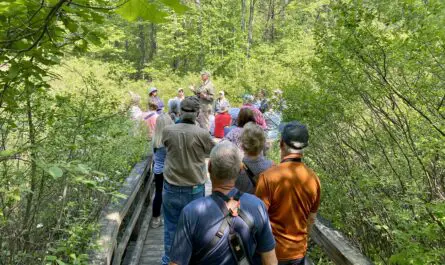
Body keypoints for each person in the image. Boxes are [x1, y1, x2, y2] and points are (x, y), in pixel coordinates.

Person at [168, 141, 278, 265]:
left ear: (209, 167)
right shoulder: (257, 206)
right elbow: (270, 261)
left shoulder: (191, 212)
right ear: (240, 170)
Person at [255, 121, 321, 265]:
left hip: (271, 253)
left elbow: (258, 220)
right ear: (303, 148)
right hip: (298, 253)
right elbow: (311, 219)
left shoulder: (267, 177)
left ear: (281, 143)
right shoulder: (313, 178)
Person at [161, 96, 215, 265]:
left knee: (171, 229)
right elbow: (211, 152)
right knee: (196, 230)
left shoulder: (168, 131)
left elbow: (165, 147)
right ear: (197, 113)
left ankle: (169, 261)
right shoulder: (202, 134)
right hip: (194, 189)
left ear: (180, 112)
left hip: (171, 187)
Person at [235, 122, 273, 194]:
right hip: (262, 205)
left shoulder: (236, 168)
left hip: (241, 204)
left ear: (243, 145)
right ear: (263, 144)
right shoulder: (272, 167)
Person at [150, 114, 174, 228]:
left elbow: (154, 156)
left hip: (158, 170)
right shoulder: (170, 140)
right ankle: (168, 217)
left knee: (158, 193)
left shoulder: (155, 139)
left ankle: (156, 218)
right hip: (170, 170)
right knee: (170, 193)